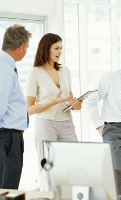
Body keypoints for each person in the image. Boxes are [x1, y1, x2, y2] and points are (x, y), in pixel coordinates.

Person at [26, 33, 83, 191]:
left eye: (61, 48)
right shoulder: (35, 73)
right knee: (48, 168)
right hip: (46, 124)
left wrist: (77, 104)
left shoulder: (65, 71)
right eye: (56, 48)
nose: (60, 52)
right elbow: (29, 109)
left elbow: (73, 103)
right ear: (46, 49)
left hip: (66, 122)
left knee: (74, 162)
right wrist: (53, 102)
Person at [0, 24, 32, 189]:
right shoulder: (5, 71)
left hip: (7, 138)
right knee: (7, 188)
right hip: (7, 138)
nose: (26, 51)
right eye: (26, 47)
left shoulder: (5, 65)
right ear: (21, 47)